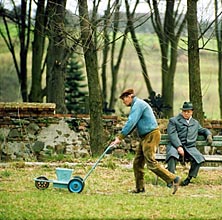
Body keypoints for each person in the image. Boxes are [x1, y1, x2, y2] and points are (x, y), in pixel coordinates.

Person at [112, 88, 181, 194]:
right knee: (137, 163)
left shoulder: (138, 105)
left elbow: (131, 122)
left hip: (151, 135)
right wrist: (121, 137)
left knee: (151, 163)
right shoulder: (136, 105)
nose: (123, 101)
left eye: (124, 98)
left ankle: (173, 179)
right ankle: (140, 188)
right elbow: (133, 124)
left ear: (130, 96)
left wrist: (120, 137)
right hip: (145, 137)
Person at [166, 101, 213, 186]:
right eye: (184, 111)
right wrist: (178, 146)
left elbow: (203, 130)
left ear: (192, 112)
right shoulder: (174, 121)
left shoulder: (195, 123)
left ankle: (188, 179)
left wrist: (208, 135)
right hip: (175, 146)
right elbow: (172, 134)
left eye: (188, 111)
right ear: (182, 111)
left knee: (198, 158)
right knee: (172, 156)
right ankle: (171, 180)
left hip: (189, 147)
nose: (186, 113)